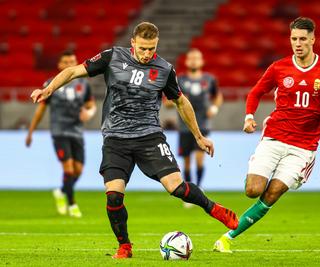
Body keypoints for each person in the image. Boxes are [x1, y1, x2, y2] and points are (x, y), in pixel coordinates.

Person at [30, 22, 238, 259]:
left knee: (176, 187)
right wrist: (49, 89)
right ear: (133, 43)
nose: (147, 54)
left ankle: (215, 209)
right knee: (114, 194)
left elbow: (181, 101)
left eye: (151, 49)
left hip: (149, 136)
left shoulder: (164, 69)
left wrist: (199, 136)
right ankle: (125, 246)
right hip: (115, 138)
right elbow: (72, 71)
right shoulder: (112, 57)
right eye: (142, 48)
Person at [213, 17, 320, 253]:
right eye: (294, 39)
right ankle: (255, 171)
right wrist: (248, 116)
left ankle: (227, 238)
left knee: (273, 193)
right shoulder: (279, 67)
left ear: (312, 39)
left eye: (302, 39)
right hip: (275, 137)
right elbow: (256, 92)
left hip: (303, 147)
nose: (297, 44)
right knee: (253, 190)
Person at [26, 51, 96, 218]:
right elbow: (40, 110)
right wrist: (30, 132)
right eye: (66, 62)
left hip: (77, 132)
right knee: (69, 169)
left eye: (73, 61)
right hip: (59, 131)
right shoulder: (51, 84)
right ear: (60, 65)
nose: (70, 64)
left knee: (78, 170)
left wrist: (90, 112)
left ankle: (61, 191)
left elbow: (91, 105)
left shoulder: (83, 85)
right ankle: (72, 204)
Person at [177, 48, 223, 190]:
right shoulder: (180, 80)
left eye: (196, 58)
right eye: (191, 58)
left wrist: (214, 108)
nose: (194, 61)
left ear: (202, 61)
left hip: (203, 124)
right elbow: (167, 101)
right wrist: (177, 101)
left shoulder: (209, 79)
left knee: (199, 158)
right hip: (184, 125)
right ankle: (189, 190)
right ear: (186, 61)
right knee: (186, 161)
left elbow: (218, 96)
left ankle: (199, 186)